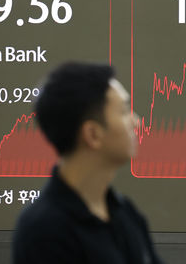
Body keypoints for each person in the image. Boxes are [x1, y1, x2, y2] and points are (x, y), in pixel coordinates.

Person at [12, 62, 164, 264]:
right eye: (124, 111)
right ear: (93, 134)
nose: (136, 122)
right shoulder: (43, 231)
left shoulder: (125, 212)